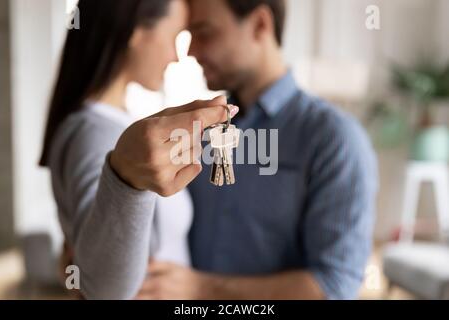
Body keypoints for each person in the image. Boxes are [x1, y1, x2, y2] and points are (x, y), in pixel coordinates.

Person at [137, 0, 378, 300]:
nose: (191, 52)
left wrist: (202, 289)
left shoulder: (333, 139)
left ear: (260, 24)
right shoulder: (200, 127)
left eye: (204, 32)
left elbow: (334, 284)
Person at [39, 0, 238, 300]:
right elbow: (105, 289)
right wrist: (126, 183)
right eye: (175, 37)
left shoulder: (111, 123)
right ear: (135, 31)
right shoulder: (95, 132)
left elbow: (89, 251)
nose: (175, 57)